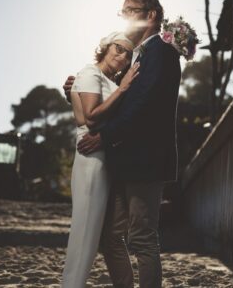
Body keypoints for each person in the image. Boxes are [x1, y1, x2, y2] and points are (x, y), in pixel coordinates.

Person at [63, 0, 186, 287]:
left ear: (151, 15)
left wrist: (104, 136)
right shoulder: (140, 55)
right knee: (109, 237)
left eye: (131, 10)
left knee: (142, 238)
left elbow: (143, 104)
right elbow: (112, 102)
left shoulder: (161, 52)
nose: (126, 16)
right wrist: (77, 93)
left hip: (146, 161)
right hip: (123, 162)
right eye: (123, 12)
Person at [61, 32, 140, 288]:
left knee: (92, 234)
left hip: (105, 158)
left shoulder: (105, 79)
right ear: (105, 48)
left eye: (128, 53)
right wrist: (125, 87)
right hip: (91, 157)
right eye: (119, 48)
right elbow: (92, 118)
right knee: (84, 232)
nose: (123, 56)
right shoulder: (91, 72)